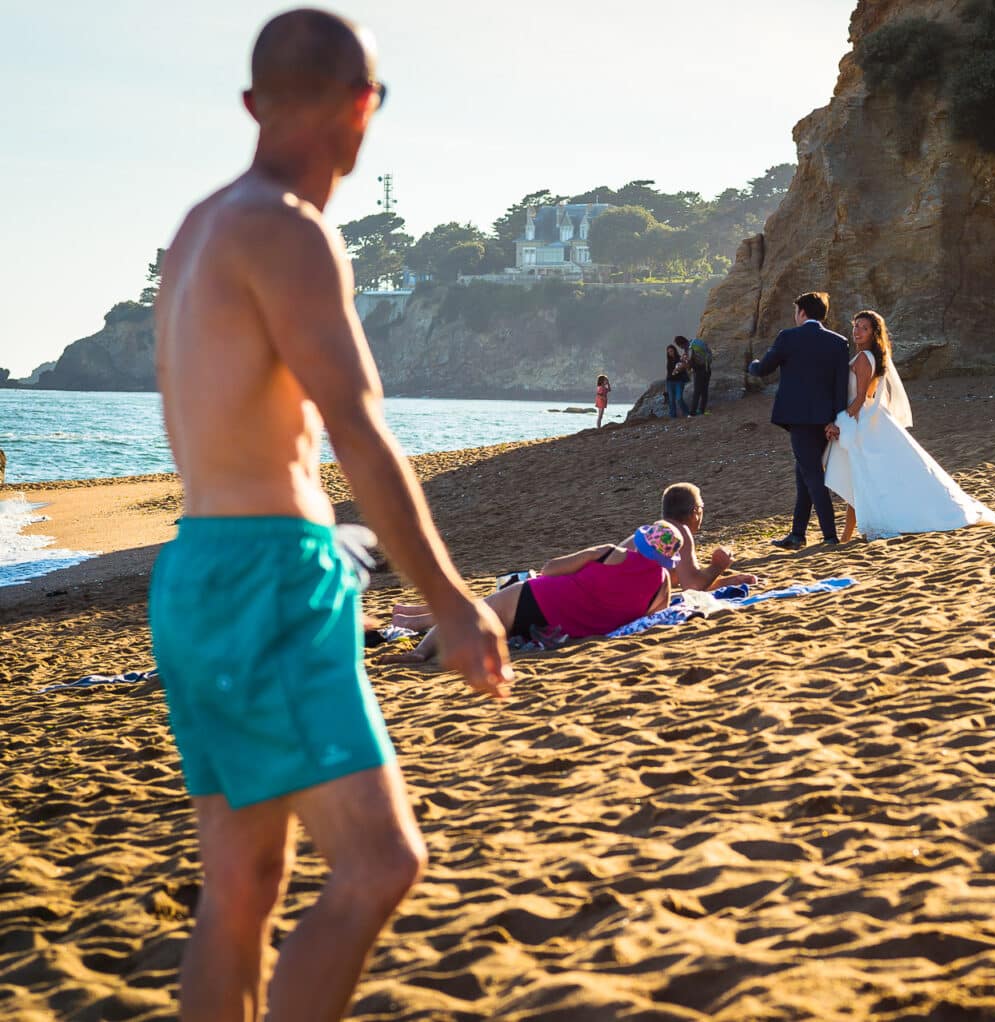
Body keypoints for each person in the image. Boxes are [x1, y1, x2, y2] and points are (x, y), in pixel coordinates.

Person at [148, 10, 512, 1022]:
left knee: (241, 891)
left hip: (192, 570)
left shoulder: (197, 230)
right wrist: (449, 599)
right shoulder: (289, 231)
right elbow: (355, 430)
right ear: (363, 108)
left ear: (253, 107)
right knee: (381, 861)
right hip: (268, 570)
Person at [823, 311, 995, 541]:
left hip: (862, 425)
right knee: (867, 479)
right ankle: (847, 534)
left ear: (873, 333)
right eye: (856, 326)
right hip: (871, 420)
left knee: (865, 480)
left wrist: (838, 422)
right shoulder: (871, 357)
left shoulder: (862, 359)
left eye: (864, 328)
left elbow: (859, 398)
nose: (857, 331)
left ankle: (849, 534)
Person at [385, 521, 684, 659]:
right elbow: (651, 621)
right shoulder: (661, 586)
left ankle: (421, 652)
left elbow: (550, 569)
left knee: (472, 613)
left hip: (538, 599)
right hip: (564, 632)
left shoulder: (609, 552)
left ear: (642, 541)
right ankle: (414, 622)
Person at [747, 292, 850, 548]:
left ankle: (829, 535)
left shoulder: (788, 337)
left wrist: (752, 364)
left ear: (802, 312)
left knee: (812, 474)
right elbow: (841, 387)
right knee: (803, 473)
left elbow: (763, 370)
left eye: (796, 311)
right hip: (826, 419)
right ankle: (797, 534)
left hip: (799, 418)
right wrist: (836, 419)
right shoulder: (839, 342)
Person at [659, 482, 757, 589]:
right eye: (702, 507)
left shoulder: (657, 532)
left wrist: (729, 582)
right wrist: (717, 566)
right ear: (695, 512)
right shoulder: (680, 533)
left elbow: (676, 579)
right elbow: (693, 586)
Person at [688, 336, 713, 416]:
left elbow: (690, 361)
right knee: (704, 392)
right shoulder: (704, 347)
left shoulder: (691, 348)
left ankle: (692, 412)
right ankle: (702, 410)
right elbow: (710, 356)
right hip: (707, 370)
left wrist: (690, 368)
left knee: (697, 392)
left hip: (698, 371)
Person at [665, 339, 689, 418]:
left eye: (671, 351)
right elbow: (670, 373)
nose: (670, 353)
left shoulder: (680, 358)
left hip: (679, 381)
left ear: (674, 350)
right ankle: (673, 416)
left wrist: (679, 368)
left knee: (679, 399)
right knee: (671, 401)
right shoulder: (668, 361)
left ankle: (687, 413)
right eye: (668, 352)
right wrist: (674, 372)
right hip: (670, 382)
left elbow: (685, 367)